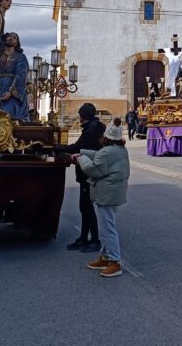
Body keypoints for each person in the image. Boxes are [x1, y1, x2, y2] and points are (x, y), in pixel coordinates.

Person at [72, 119, 130, 278]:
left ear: (106, 137)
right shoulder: (119, 149)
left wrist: (80, 158)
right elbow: (99, 156)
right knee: (106, 225)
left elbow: (93, 169)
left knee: (107, 228)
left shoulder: (107, 152)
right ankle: (105, 257)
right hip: (113, 192)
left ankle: (115, 262)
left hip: (107, 194)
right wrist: (83, 152)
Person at [56, 103, 105, 252]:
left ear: (82, 116)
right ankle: (84, 238)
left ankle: (94, 239)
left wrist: (59, 147)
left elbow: (78, 147)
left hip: (88, 172)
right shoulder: (94, 127)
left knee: (87, 207)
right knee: (85, 207)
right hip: (87, 171)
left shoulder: (91, 130)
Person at [0, 32, 30, 121]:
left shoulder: (20, 57)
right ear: (5, 39)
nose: (11, 38)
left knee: (9, 113)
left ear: (16, 43)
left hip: (13, 87)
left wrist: (11, 91)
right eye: (9, 36)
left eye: (14, 37)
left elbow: (21, 74)